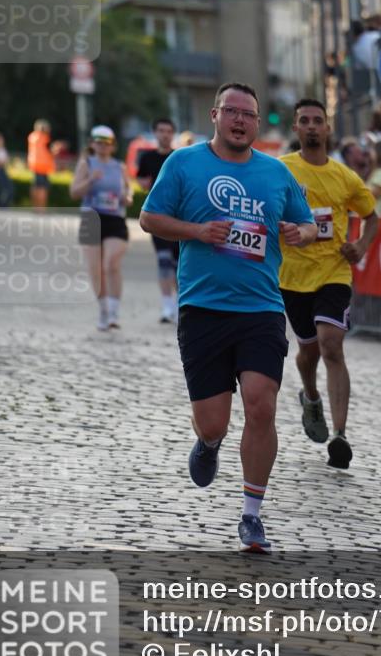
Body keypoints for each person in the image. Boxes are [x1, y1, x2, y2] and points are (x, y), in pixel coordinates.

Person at [139, 83, 317, 552]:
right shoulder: (183, 163)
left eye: (250, 115)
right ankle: (209, 443)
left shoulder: (276, 173)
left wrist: (299, 233)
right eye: (232, 112)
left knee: (262, 402)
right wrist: (197, 230)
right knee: (214, 421)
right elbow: (149, 218)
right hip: (202, 308)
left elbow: (309, 225)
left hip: (261, 307)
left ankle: (252, 514)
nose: (240, 120)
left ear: (258, 124)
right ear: (215, 115)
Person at [279, 99, 378, 470]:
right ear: (295, 129)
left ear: (328, 128)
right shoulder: (281, 170)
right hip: (292, 276)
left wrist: (362, 245)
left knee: (331, 344)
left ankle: (340, 434)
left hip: (334, 271)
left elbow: (372, 216)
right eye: (304, 121)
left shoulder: (345, 177)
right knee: (308, 352)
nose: (311, 127)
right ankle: (310, 395)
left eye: (318, 121)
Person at [70, 125, 131, 331]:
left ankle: (114, 311)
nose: (102, 146)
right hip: (91, 218)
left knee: (110, 263)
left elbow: (128, 192)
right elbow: (74, 193)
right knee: (95, 269)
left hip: (114, 218)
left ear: (113, 146)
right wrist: (90, 180)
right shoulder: (86, 164)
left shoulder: (119, 167)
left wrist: (126, 198)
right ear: (91, 144)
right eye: (98, 142)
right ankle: (103, 310)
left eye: (106, 143)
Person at [136, 117, 179, 324]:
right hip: (158, 217)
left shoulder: (179, 157)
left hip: (179, 219)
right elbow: (141, 182)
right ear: (155, 132)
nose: (165, 134)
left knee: (180, 265)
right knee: (163, 263)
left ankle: (181, 306)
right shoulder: (147, 157)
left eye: (168, 131)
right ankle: (166, 307)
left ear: (173, 134)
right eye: (161, 130)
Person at [27, 119, 55, 209]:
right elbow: (50, 150)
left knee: (35, 186)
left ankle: (35, 207)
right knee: (43, 188)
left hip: (34, 165)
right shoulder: (44, 138)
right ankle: (41, 208)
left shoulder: (32, 137)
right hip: (43, 166)